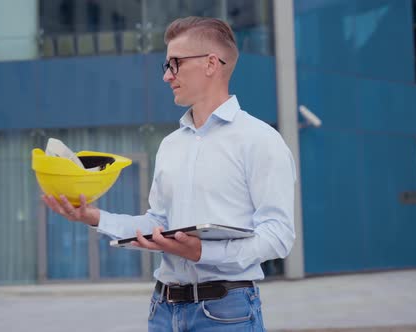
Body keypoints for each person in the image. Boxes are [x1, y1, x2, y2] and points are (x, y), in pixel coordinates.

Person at [42, 16, 296, 331]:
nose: (166, 76)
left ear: (211, 64)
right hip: (163, 310)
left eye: (173, 64)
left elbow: (278, 236)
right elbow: (158, 224)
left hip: (226, 314)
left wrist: (205, 252)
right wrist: (93, 217)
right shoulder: (170, 145)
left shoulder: (260, 140)